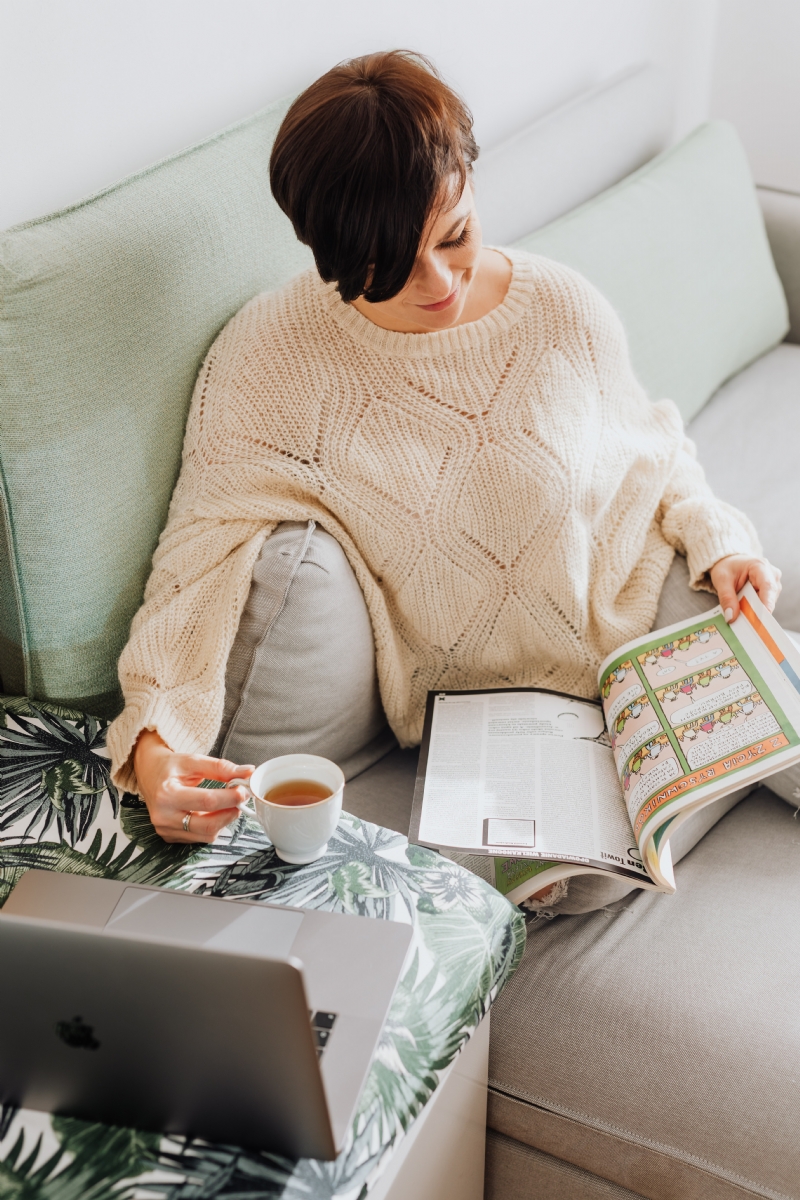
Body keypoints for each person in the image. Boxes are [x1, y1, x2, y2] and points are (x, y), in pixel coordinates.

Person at [107, 51, 785, 885]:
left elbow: (650, 449)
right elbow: (199, 563)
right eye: (389, 267)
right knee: (565, 887)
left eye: (456, 235)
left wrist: (718, 540)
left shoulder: (562, 306)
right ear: (324, 250)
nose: (438, 283)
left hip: (638, 616)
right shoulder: (270, 363)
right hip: (490, 716)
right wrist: (151, 747)